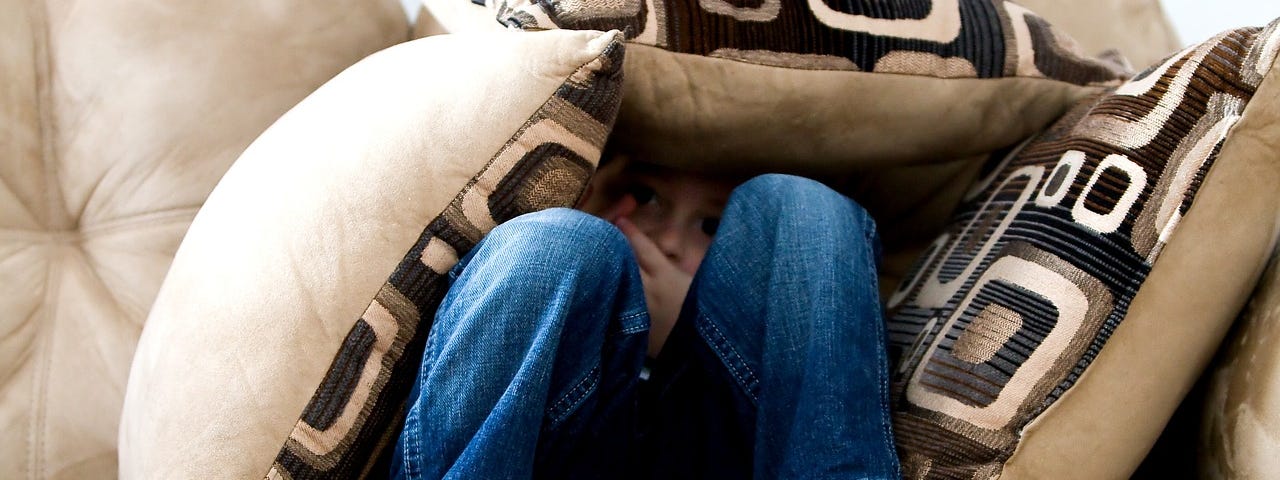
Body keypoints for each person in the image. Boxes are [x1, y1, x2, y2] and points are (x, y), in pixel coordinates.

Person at [389, 148, 900, 479]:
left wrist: (687, 328)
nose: (671, 240)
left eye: (713, 225)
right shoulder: (582, 256)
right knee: (555, 245)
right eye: (647, 197)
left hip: (723, 449)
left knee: (803, 205)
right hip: (554, 448)